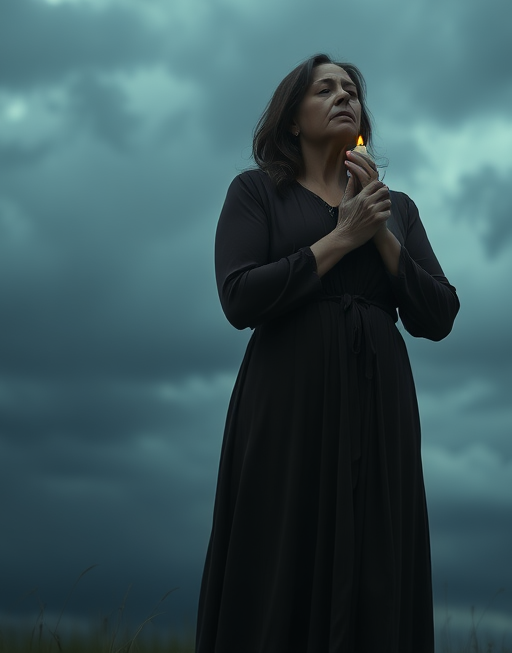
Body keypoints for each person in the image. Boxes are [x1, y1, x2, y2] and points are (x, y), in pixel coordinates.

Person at [196, 54, 459, 653]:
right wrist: (342, 235)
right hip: (288, 403)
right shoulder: (257, 192)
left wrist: (381, 238)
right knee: (279, 547)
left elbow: (439, 315)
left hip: (378, 403)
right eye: (325, 89)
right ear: (292, 119)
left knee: (376, 559)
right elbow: (238, 297)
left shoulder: (398, 209)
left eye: (352, 90)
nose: (345, 96)